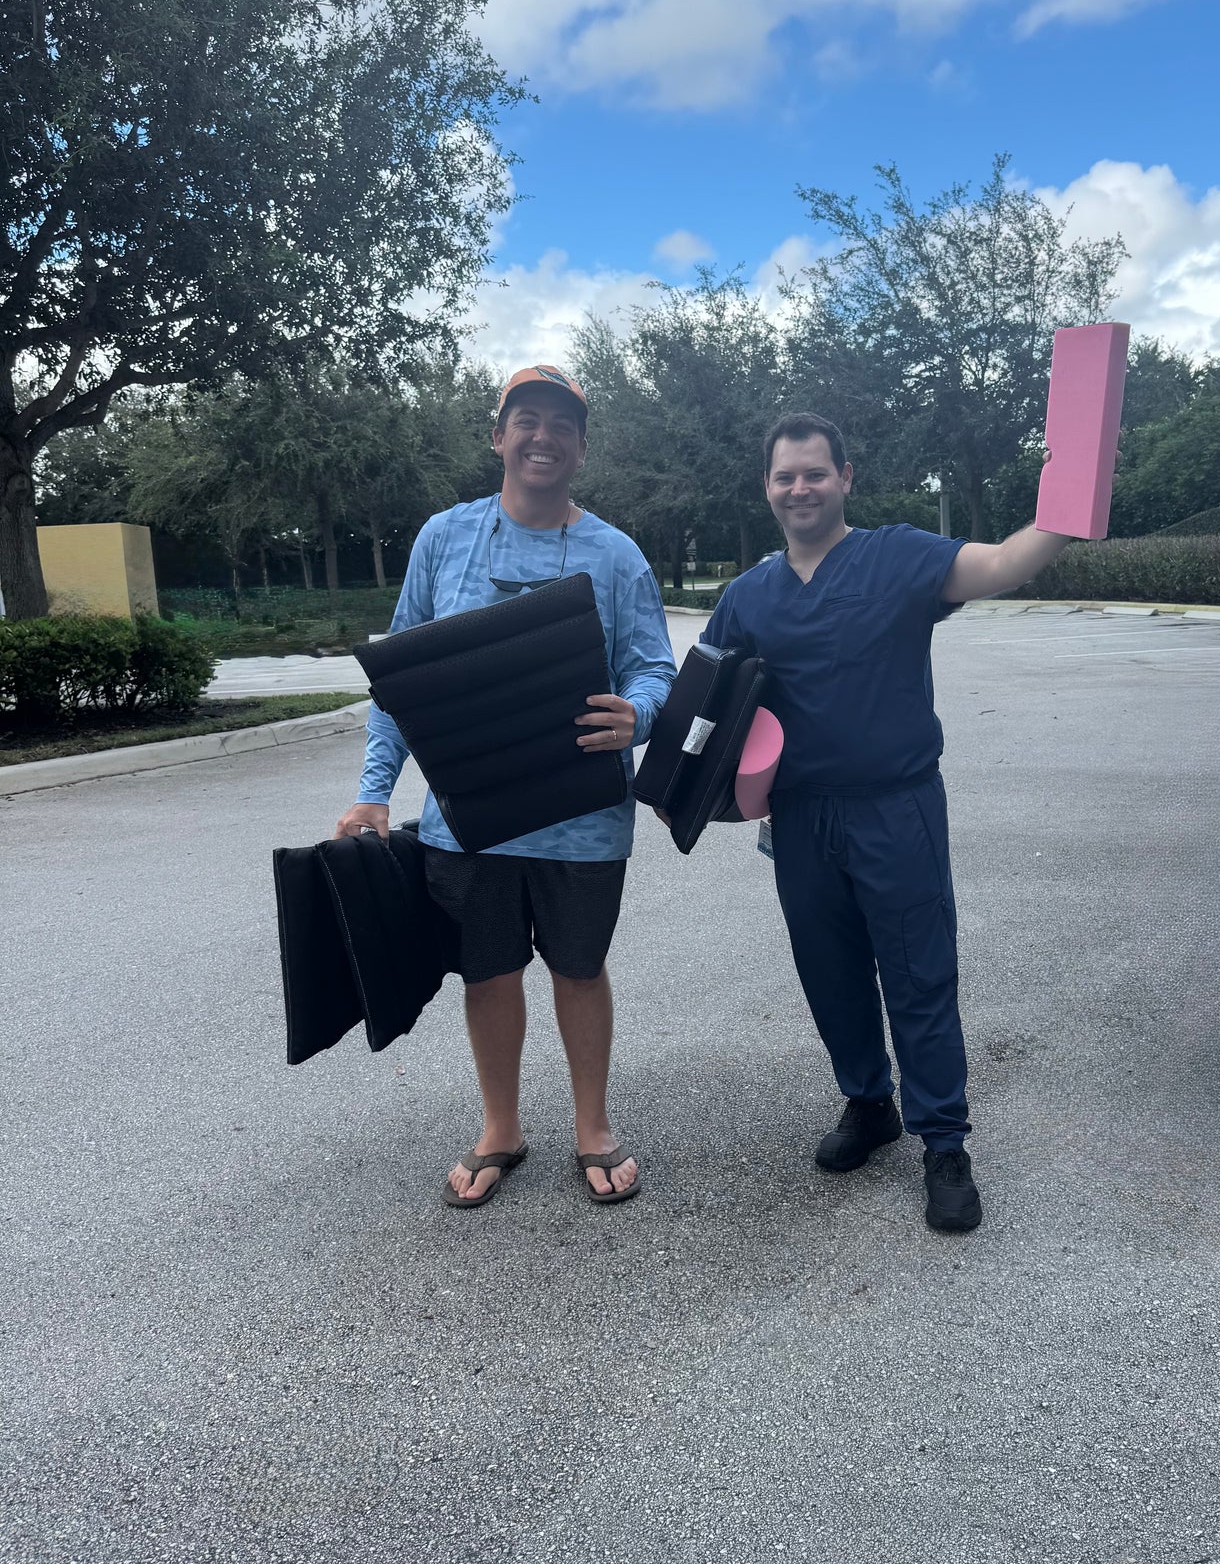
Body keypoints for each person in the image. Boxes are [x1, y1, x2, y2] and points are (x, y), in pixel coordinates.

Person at [702, 412, 1073, 1234]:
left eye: (814, 473)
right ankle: (870, 1104)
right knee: (829, 970)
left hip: (894, 807)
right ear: (767, 487)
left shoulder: (899, 556)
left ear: (846, 477)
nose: (800, 488)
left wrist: (1069, 489)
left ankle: (945, 1143)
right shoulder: (749, 596)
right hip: (799, 819)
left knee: (918, 969)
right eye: (784, 476)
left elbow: (1006, 564)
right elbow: (702, 700)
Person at [335, 365, 677, 1210]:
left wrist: (637, 712)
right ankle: (502, 1129)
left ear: (580, 448)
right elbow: (400, 679)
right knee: (486, 976)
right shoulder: (445, 539)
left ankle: (592, 1127)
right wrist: (376, 789)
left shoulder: (616, 553)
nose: (543, 436)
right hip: (468, 820)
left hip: (586, 819)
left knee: (580, 967)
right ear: (498, 436)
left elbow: (653, 665)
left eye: (562, 424)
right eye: (526, 419)